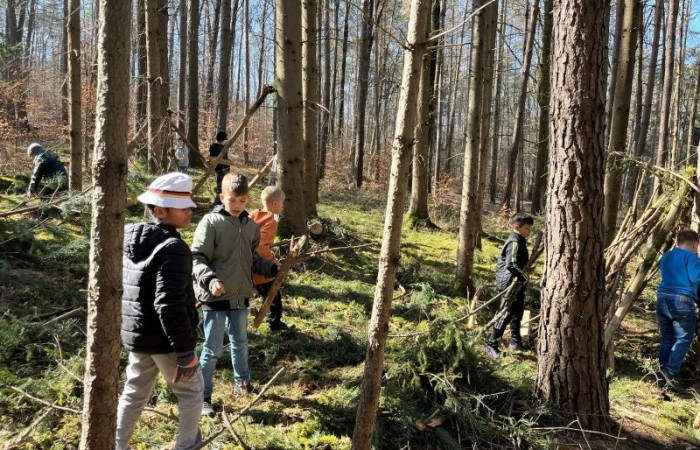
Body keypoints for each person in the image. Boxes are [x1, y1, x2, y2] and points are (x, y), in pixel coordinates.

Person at [115, 172, 203, 450]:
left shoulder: (127, 237)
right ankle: (187, 446)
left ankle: (116, 445)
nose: (190, 211)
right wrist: (185, 351)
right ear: (161, 211)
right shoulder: (174, 248)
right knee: (191, 392)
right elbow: (168, 303)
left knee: (134, 392)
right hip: (168, 340)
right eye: (182, 207)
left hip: (139, 336)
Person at [191, 173, 279, 417]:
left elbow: (253, 259)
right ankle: (203, 396)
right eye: (232, 200)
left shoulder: (250, 226)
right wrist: (210, 280)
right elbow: (197, 257)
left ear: (247, 199)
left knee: (240, 343)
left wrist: (270, 268)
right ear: (222, 197)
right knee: (212, 349)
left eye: (242, 200)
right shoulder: (211, 223)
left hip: (240, 297)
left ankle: (242, 383)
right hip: (216, 297)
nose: (237, 205)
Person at [655, 229, 700, 392]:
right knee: (683, 339)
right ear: (694, 244)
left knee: (667, 337)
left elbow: (662, 269)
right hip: (682, 301)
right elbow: (696, 277)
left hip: (662, 298)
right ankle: (671, 370)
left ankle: (661, 372)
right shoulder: (691, 257)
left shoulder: (666, 255)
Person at [484, 212, 534, 359]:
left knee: (518, 312)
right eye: (527, 228)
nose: (529, 232)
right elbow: (511, 264)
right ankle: (491, 343)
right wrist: (524, 276)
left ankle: (515, 341)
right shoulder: (514, 242)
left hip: (517, 282)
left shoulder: (521, 240)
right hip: (509, 283)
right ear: (517, 227)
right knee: (507, 313)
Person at [251, 186, 293, 332]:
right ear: (274, 203)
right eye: (282, 203)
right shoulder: (271, 220)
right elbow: (260, 248)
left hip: (246, 263)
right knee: (273, 297)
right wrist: (272, 262)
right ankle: (275, 326)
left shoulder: (254, 214)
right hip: (259, 269)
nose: (283, 206)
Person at [208, 131, 229, 205]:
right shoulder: (215, 147)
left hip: (223, 169)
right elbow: (213, 158)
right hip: (220, 169)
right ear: (222, 140)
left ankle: (220, 201)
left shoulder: (222, 147)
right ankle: (217, 202)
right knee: (220, 186)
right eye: (224, 140)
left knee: (223, 186)